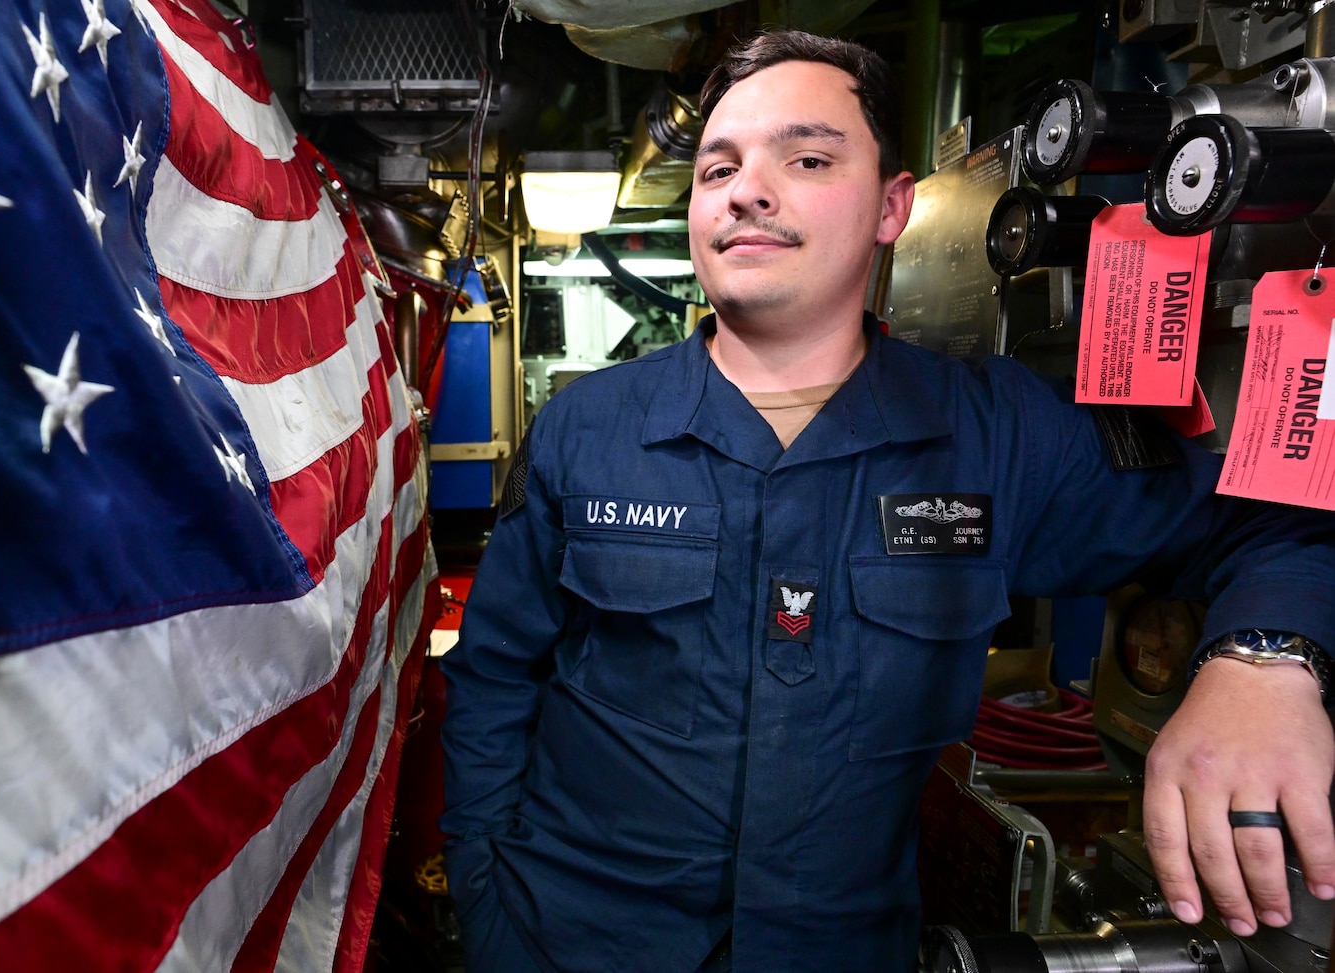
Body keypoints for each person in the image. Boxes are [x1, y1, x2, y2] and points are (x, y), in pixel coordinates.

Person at [439, 29, 1335, 972]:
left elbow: (1266, 517)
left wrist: (1261, 661)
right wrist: (489, 910)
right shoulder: (588, 428)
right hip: (565, 942)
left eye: (809, 157)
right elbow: (494, 679)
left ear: (891, 206)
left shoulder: (997, 437)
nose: (746, 189)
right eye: (718, 168)